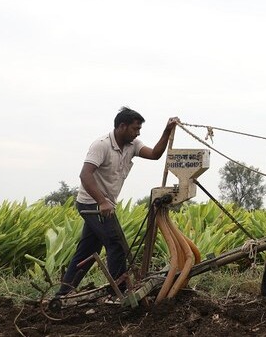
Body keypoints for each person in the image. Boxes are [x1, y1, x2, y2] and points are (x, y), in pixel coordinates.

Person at [55, 107, 178, 297]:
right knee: (116, 243)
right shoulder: (101, 145)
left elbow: (155, 154)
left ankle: (62, 294)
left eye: (139, 129)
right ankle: (121, 293)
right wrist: (102, 202)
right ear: (122, 126)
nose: (137, 132)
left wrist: (167, 131)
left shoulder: (132, 145)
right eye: (135, 128)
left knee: (89, 250)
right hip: (91, 204)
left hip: (105, 205)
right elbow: (85, 175)